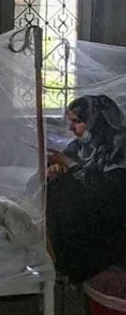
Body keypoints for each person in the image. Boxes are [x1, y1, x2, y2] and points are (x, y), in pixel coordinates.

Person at [47, 94, 126, 281]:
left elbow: (108, 194)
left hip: (111, 226)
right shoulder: (82, 146)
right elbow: (69, 167)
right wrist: (55, 169)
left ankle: (66, 260)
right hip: (87, 216)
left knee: (63, 192)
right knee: (54, 187)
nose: (71, 128)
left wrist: (67, 164)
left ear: (96, 122)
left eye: (78, 122)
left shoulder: (119, 149)